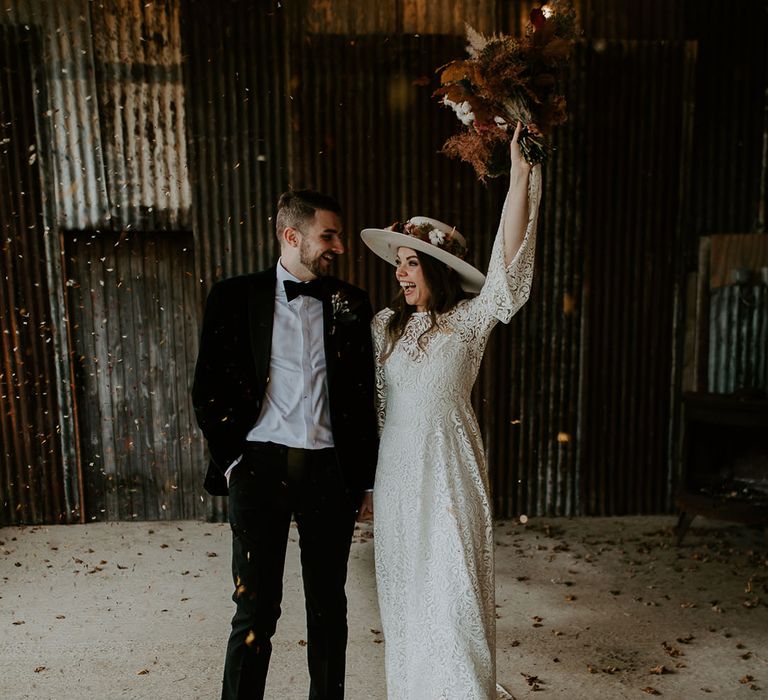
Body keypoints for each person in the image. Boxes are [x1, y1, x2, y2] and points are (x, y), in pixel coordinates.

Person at [360, 123, 541, 699]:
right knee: (407, 592)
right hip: (395, 477)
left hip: (451, 472)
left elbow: (508, 261)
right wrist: (364, 484)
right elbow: (374, 408)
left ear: (435, 268)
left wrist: (520, 174)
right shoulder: (382, 327)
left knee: (455, 588)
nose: (400, 273)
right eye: (399, 263)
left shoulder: (469, 321)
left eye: (411, 263)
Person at [192, 188, 378, 700]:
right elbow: (208, 388)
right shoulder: (234, 297)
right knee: (255, 608)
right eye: (328, 235)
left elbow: (362, 399)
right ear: (292, 237)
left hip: (328, 473)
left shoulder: (350, 303)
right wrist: (232, 462)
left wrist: (364, 480)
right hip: (260, 466)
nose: (338, 245)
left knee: (327, 606)